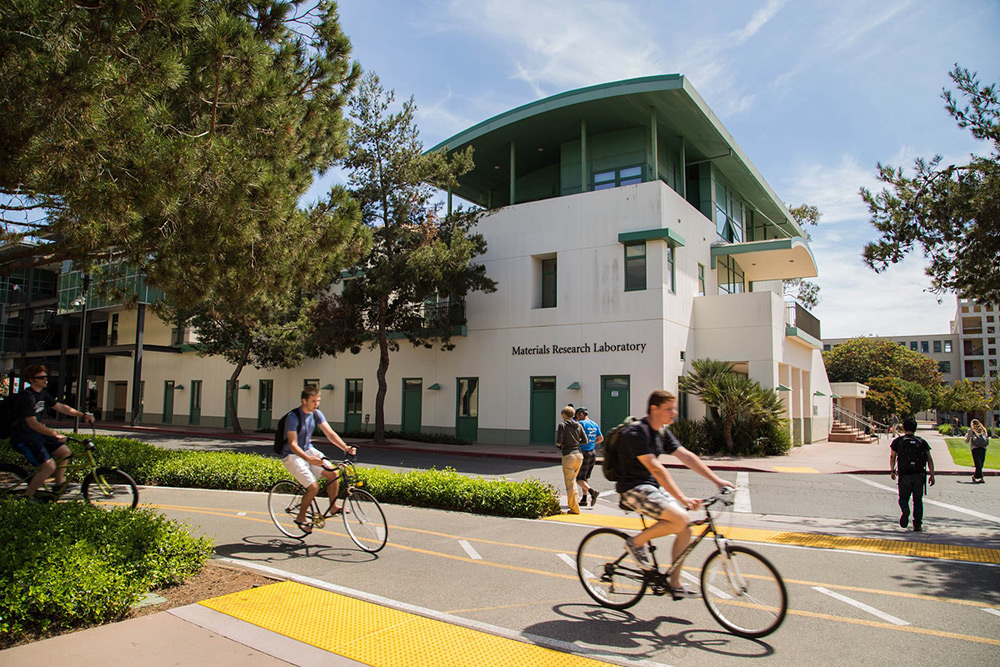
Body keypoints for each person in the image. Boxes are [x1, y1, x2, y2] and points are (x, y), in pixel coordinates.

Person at [618, 390, 733, 597]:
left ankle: (675, 582)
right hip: (632, 489)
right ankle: (634, 543)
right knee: (680, 517)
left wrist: (717, 481)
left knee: (685, 528)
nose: (674, 412)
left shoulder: (661, 432)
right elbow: (656, 469)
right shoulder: (636, 433)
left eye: (674, 408)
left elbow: (686, 456)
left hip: (651, 488)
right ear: (654, 409)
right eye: (669, 409)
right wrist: (682, 498)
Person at [279, 385, 356, 534]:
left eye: (318, 401)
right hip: (292, 455)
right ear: (304, 401)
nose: (317, 404)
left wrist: (346, 448)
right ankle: (301, 518)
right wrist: (309, 459)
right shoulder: (293, 417)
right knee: (313, 487)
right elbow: (293, 444)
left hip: (308, 449)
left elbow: (330, 433)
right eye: (313, 401)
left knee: (333, 473)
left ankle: (333, 507)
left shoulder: (316, 414)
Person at [11, 365, 95, 500]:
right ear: (32, 380)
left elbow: (60, 407)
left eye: (46, 377)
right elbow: (32, 423)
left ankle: (58, 484)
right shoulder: (26, 397)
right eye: (41, 377)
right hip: (24, 438)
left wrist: (82, 415)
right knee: (49, 467)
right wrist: (54, 434)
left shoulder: (42, 394)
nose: (45, 380)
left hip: (37, 436)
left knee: (65, 452)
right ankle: (27, 497)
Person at [889, 417, 935, 532]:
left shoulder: (898, 441)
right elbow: (929, 459)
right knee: (918, 500)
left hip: (904, 475)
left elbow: (893, 457)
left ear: (904, 428)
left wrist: (892, 470)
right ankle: (917, 524)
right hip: (919, 475)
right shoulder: (922, 442)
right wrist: (932, 474)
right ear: (915, 428)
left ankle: (905, 509)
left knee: (903, 497)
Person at [556, 405, 587, 514]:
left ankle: (574, 508)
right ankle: (576, 502)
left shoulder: (562, 425)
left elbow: (559, 441)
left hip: (568, 454)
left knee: (570, 482)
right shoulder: (578, 425)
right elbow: (585, 440)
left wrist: (562, 444)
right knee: (573, 480)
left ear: (564, 415)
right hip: (579, 455)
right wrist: (576, 441)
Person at [574, 407, 603, 507]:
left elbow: (576, 437)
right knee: (585, 477)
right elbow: (600, 438)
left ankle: (592, 492)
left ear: (581, 414)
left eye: (577, 416)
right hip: (592, 452)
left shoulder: (581, 424)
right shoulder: (594, 424)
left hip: (584, 452)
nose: (577, 419)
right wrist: (592, 443)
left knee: (578, 479)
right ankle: (584, 499)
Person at [965, 419, 989, 484]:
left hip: (975, 448)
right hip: (983, 448)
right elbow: (986, 437)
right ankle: (976, 476)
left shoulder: (971, 430)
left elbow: (966, 440)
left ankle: (980, 477)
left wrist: (967, 438)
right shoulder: (983, 430)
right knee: (980, 463)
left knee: (977, 463)